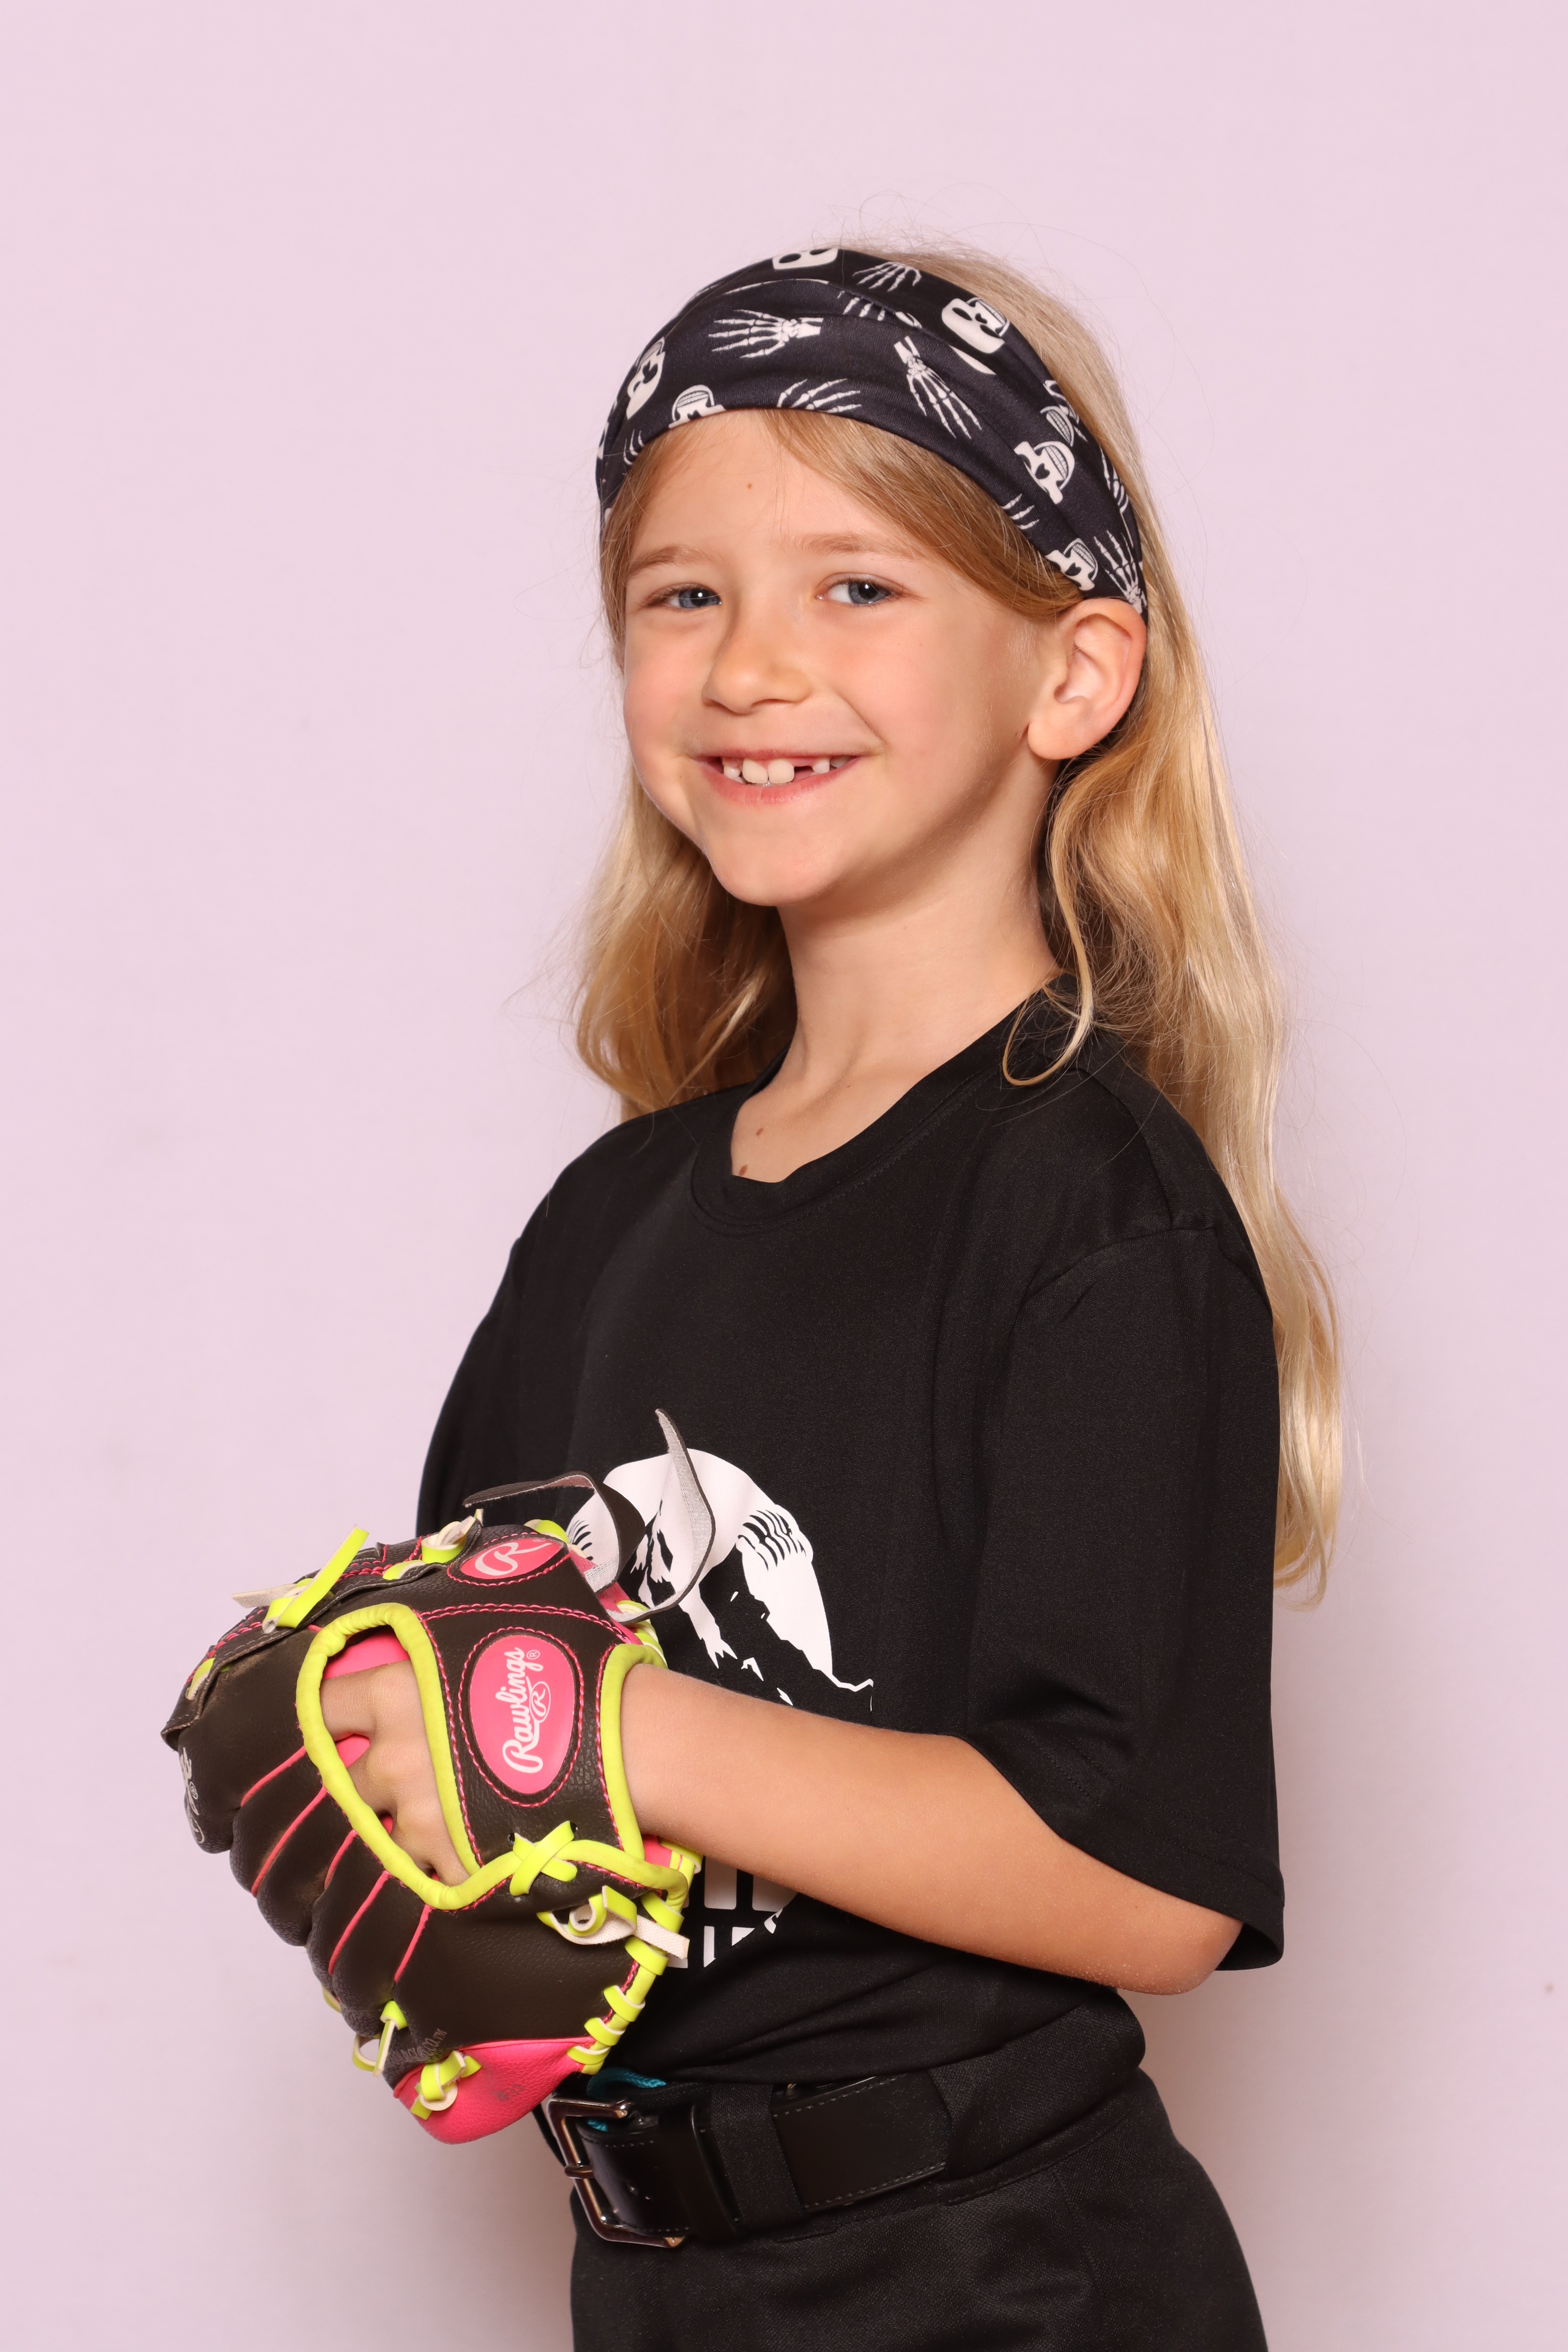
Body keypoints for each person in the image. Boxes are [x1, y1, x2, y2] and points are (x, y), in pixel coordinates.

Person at [321, 243, 1340, 2350]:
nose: (749, 666)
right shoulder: (610, 1222)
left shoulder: (1091, 1211)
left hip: (994, 2279)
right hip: (655, 2277)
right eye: (681, 594)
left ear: (1072, 679)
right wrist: (367, 1751)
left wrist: (619, 1734)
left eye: (856, 586)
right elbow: (486, 1716)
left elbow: (1147, 1880)